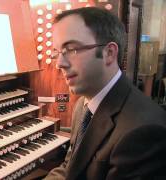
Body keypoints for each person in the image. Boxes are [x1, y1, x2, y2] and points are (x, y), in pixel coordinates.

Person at [44, 7, 166, 180]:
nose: (59, 63)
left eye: (71, 49)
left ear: (109, 53)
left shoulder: (144, 131)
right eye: (57, 52)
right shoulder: (84, 104)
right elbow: (70, 168)